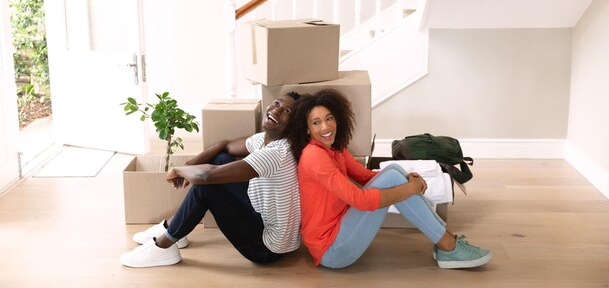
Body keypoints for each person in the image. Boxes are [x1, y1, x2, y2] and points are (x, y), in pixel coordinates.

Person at [289, 88, 492, 269]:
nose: (326, 127)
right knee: (395, 178)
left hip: (342, 227)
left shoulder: (333, 148)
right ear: (307, 129)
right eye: (316, 123)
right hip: (332, 250)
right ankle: (449, 245)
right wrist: (410, 188)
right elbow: (360, 200)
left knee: (394, 171)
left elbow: (365, 176)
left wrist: (405, 179)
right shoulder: (314, 156)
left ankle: (447, 241)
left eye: (329, 118)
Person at [120, 92, 302, 268]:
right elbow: (225, 146)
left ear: (293, 125)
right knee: (221, 159)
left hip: (267, 248)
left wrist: (179, 169)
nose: (277, 110)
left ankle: (163, 246)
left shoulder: (277, 153)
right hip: (263, 217)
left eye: (287, 111)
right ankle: (174, 227)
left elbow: (205, 176)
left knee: (207, 187)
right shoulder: (264, 140)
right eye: (277, 103)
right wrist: (191, 163)